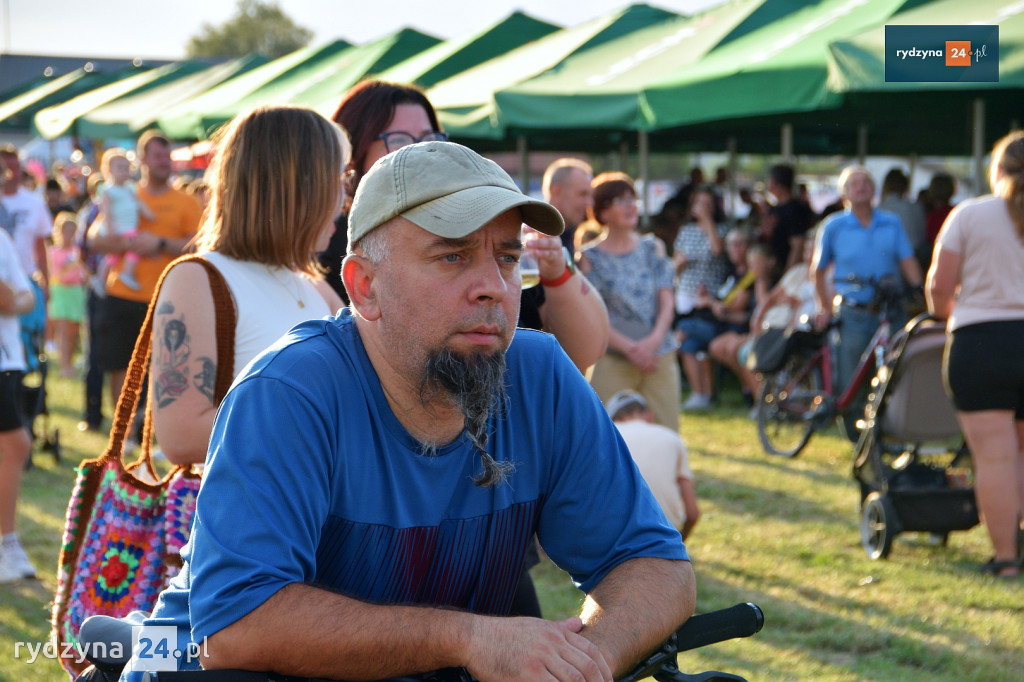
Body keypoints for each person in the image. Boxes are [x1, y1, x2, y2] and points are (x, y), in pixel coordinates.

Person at [126, 141, 694, 682]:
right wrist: (470, 640)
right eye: (452, 256)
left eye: (507, 257)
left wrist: (583, 662)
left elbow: (655, 566)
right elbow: (236, 628)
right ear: (364, 286)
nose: (493, 288)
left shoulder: (540, 373)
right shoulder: (289, 392)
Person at [325, 79, 608, 375]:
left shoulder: (487, 228)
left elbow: (586, 352)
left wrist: (557, 272)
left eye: (429, 137)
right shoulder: (331, 246)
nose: (418, 149)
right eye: (398, 139)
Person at [148, 105, 347, 466]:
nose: (342, 200)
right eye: (335, 181)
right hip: (241, 517)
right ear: (293, 188)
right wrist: (320, 416)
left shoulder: (312, 284)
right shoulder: (197, 278)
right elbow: (180, 437)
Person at [926, 130, 1024, 578]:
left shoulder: (969, 215)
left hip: (982, 342)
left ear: (996, 168)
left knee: (997, 458)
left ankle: (1005, 560)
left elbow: (938, 289)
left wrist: (948, 314)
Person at [87, 131, 201, 417]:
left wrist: (159, 243)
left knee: (170, 369)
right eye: (158, 156)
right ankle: (121, 435)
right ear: (142, 160)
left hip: (170, 299)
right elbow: (94, 239)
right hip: (122, 295)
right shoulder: (125, 192)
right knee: (119, 366)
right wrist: (129, 243)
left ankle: (157, 432)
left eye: (168, 156)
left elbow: (199, 245)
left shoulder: (187, 202)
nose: (165, 162)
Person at [812, 166, 923, 436]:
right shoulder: (834, 226)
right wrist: (824, 307)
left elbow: (907, 260)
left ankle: (888, 429)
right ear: (844, 194)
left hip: (890, 308)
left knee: (896, 369)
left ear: (875, 190)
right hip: (854, 312)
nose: (861, 187)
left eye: (865, 182)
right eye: (854, 183)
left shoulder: (891, 222)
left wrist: (920, 289)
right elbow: (818, 270)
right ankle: (854, 434)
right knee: (852, 375)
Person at [580, 171, 680, 432]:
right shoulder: (589, 257)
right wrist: (632, 349)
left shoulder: (653, 247)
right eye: (620, 200)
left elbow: (667, 300)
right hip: (612, 356)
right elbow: (592, 314)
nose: (630, 205)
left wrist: (653, 342)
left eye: (632, 199)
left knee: (665, 432)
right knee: (604, 435)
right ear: (602, 212)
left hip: (659, 354)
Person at [608, 389, 700, 541]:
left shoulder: (607, 437)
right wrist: (678, 543)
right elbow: (692, 512)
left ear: (612, 419)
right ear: (649, 416)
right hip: (665, 532)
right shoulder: (672, 438)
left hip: (615, 534)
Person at [0, 221, 37, 582]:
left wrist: (13, 301)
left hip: (6, 358)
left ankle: (6, 543)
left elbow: (25, 298)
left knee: (15, 445)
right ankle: (6, 542)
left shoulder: (2, 238)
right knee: (16, 444)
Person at [673, 186, 730, 410]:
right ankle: (701, 394)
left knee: (685, 332)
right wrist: (679, 264)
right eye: (700, 204)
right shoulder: (685, 231)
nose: (703, 208)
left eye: (708, 204)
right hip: (685, 298)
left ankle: (701, 393)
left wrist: (708, 223)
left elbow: (717, 251)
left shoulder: (722, 229)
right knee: (690, 346)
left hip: (711, 300)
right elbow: (674, 266)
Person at [95, 147, 156, 291]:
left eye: (126, 168)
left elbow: (138, 202)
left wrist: (147, 213)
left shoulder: (130, 188)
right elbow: (106, 212)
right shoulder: (108, 190)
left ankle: (101, 279)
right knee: (136, 246)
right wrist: (110, 229)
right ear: (109, 170)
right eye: (120, 168)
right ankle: (127, 273)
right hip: (118, 227)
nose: (124, 172)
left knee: (113, 257)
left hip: (128, 226)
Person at [47, 211, 87, 377]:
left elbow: (84, 272)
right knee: (63, 331)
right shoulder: (52, 252)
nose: (69, 235)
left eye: (73, 232)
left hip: (76, 292)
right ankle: (64, 366)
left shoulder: (79, 252)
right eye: (66, 231)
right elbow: (52, 274)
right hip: (60, 292)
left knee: (72, 332)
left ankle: (69, 363)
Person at [759, 164, 816, 277]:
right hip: (772, 270)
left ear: (774, 182)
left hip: (784, 270)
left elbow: (798, 244)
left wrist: (787, 274)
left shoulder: (794, 210)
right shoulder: (773, 208)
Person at [542, 157, 594, 256]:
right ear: (557, 192)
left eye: (590, 195)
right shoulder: (535, 243)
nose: (589, 203)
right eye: (582, 194)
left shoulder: (574, 236)